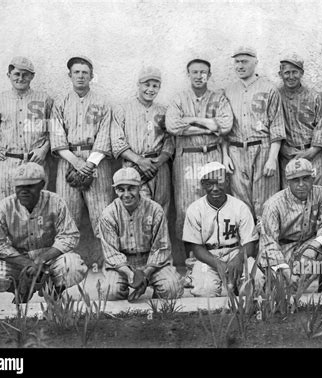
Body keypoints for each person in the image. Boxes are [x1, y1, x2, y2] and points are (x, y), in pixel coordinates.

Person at [0, 163, 87, 301]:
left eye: (29, 186)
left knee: (74, 266)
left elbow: (69, 236)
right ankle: (21, 288)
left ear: (42, 184)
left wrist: (41, 260)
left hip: (50, 262)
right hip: (19, 263)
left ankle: (54, 289)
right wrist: (27, 263)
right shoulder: (5, 206)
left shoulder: (55, 202)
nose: (23, 191)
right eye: (19, 186)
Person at [165, 58, 233, 242]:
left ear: (209, 75)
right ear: (188, 74)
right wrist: (210, 127)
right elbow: (172, 125)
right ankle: (189, 257)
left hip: (212, 153)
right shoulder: (179, 98)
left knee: (214, 202)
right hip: (187, 155)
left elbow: (226, 125)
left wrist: (191, 120)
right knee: (185, 207)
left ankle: (214, 252)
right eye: (194, 72)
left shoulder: (218, 98)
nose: (198, 76)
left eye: (203, 72)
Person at [259, 158, 322, 292]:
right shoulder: (273, 204)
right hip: (283, 248)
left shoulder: (320, 193)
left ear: (313, 178)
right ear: (288, 181)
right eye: (296, 180)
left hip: (308, 244)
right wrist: (286, 272)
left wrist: (313, 247)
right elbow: (268, 244)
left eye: (305, 178)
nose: (301, 184)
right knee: (281, 292)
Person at [50, 56, 114, 237]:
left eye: (85, 72)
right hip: (68, 159)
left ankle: (109, 263)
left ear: (91, 76)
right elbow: (56, 136)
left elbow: (105, 135)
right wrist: (76, 162)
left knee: (103, 215)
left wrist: (90, 164)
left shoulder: (102, 102)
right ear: (69, 75)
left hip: (97, 161)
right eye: (76, 72)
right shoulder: (60, 104)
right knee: (66, 216)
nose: (80, 76)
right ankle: (66, 263)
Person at [99, 167, 184, 301]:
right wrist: (130, 274)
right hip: (122, 265)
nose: (126, 194)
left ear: (139, 187)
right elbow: (111, 253)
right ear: (115, 190)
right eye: (121, 189)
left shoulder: (155, 209)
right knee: (110, 292)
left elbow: (161, 248)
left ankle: (157, 296)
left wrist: (145, 274)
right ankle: (124, 293)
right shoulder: (108, 214)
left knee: (172, 289)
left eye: (131, 188)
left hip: (151, 263)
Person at [223, 46, 286, 222]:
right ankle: (246, 248)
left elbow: (277, 126)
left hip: (262, 149)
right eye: (237, 61)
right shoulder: (228, 91)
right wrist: (225, 155)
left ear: (255, 63)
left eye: (245, 61)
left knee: (265, 205)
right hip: (236, 152)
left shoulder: (269, 89)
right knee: (240, 206)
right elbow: (224, 128)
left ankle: (267, 248)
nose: (240, 66)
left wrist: (272, 158)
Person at [0, 57, 53, 200]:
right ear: (9, 75)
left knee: (37, 208)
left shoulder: (45, 100)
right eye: (17, 74)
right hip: (7, 164)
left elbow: (55, 130)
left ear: (32, 76)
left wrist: (43, 149)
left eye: (25, 74)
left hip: (35, 162)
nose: (21, 78)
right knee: (8, 208)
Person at [182, 162, 259, 297]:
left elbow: (249, 243)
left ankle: (236, 287)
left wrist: (239, 259)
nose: (215, 188)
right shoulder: (195, 209)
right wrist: (218, 264)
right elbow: (197, 248)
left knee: (256, 280)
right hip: (208, 256)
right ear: (202, 184)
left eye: (220, 183)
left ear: (228, 181)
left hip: (235, 252)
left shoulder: (240, 207)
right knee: (205, 290)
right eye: (209, 184)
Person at [112, 67, 174, 217]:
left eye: (155, 86)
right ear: (138, 84)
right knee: (138, 213)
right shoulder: (122, 109)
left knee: (161, 211)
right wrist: (140, 161)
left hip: (159, 167)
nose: (150, 89)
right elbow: (117, 141)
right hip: (133, 167)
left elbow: (170, 141)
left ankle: (159, 241)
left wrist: (158, 161)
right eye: (147, 84)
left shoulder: (164, 111)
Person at [278, 55, 322, 190]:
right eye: (287, 72)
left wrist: (311, 151)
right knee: (291, 201)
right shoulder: (276, 96)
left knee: (317, 198)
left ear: (301, 73)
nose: (291, 76)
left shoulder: (314, 97)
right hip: (288, 156)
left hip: (315, 156)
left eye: (295, 72)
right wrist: (284, 149)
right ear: (280, 74)